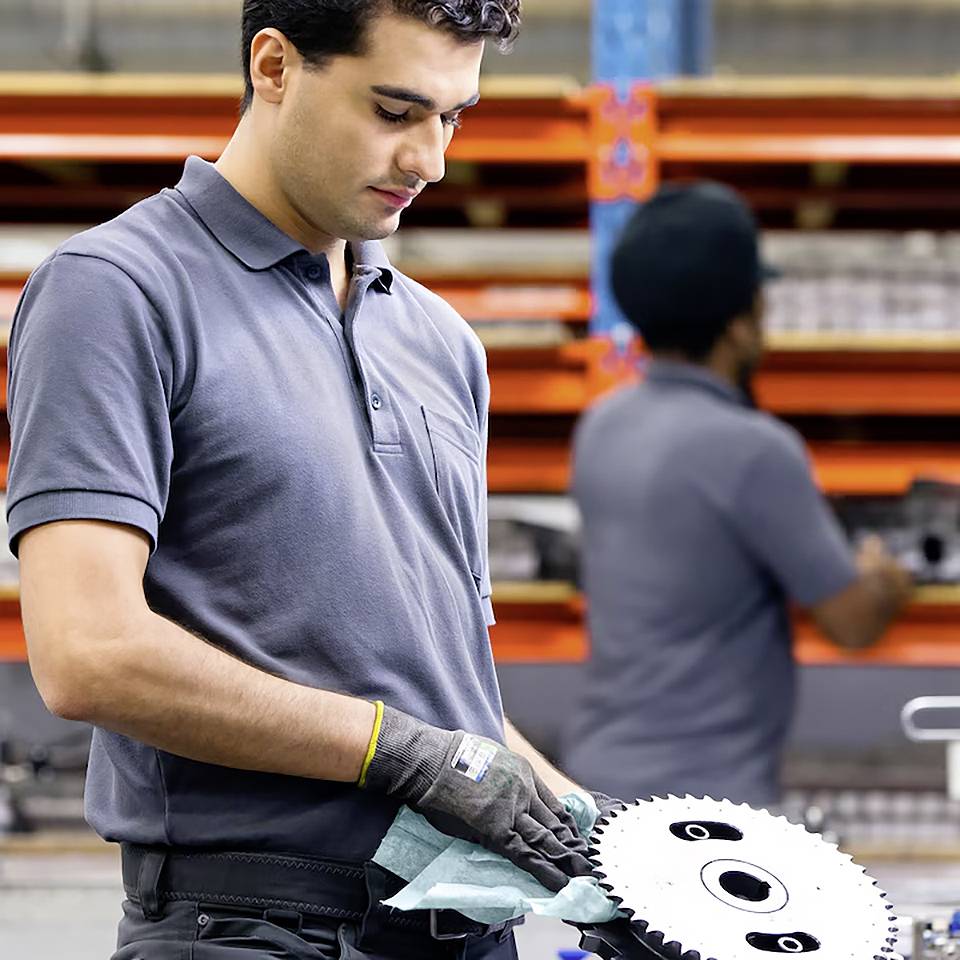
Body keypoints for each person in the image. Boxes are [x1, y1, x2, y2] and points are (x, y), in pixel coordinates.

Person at [7, 3, 604, 958]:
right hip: (249, 930)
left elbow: (448, 705)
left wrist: (609, 847)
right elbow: (87, 653)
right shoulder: (117, 293)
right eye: (396, 109)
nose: (430, 160)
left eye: (453, 118)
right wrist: (401, 754)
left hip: (463, 932)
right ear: (275, 66)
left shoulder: (441, 346)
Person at [561, 182, 912, 809]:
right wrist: (884, 577)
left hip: (596, 787)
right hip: (710, 813)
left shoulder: (602, 425)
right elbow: (853, 622)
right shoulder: (754, 449)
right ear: (741, 321)